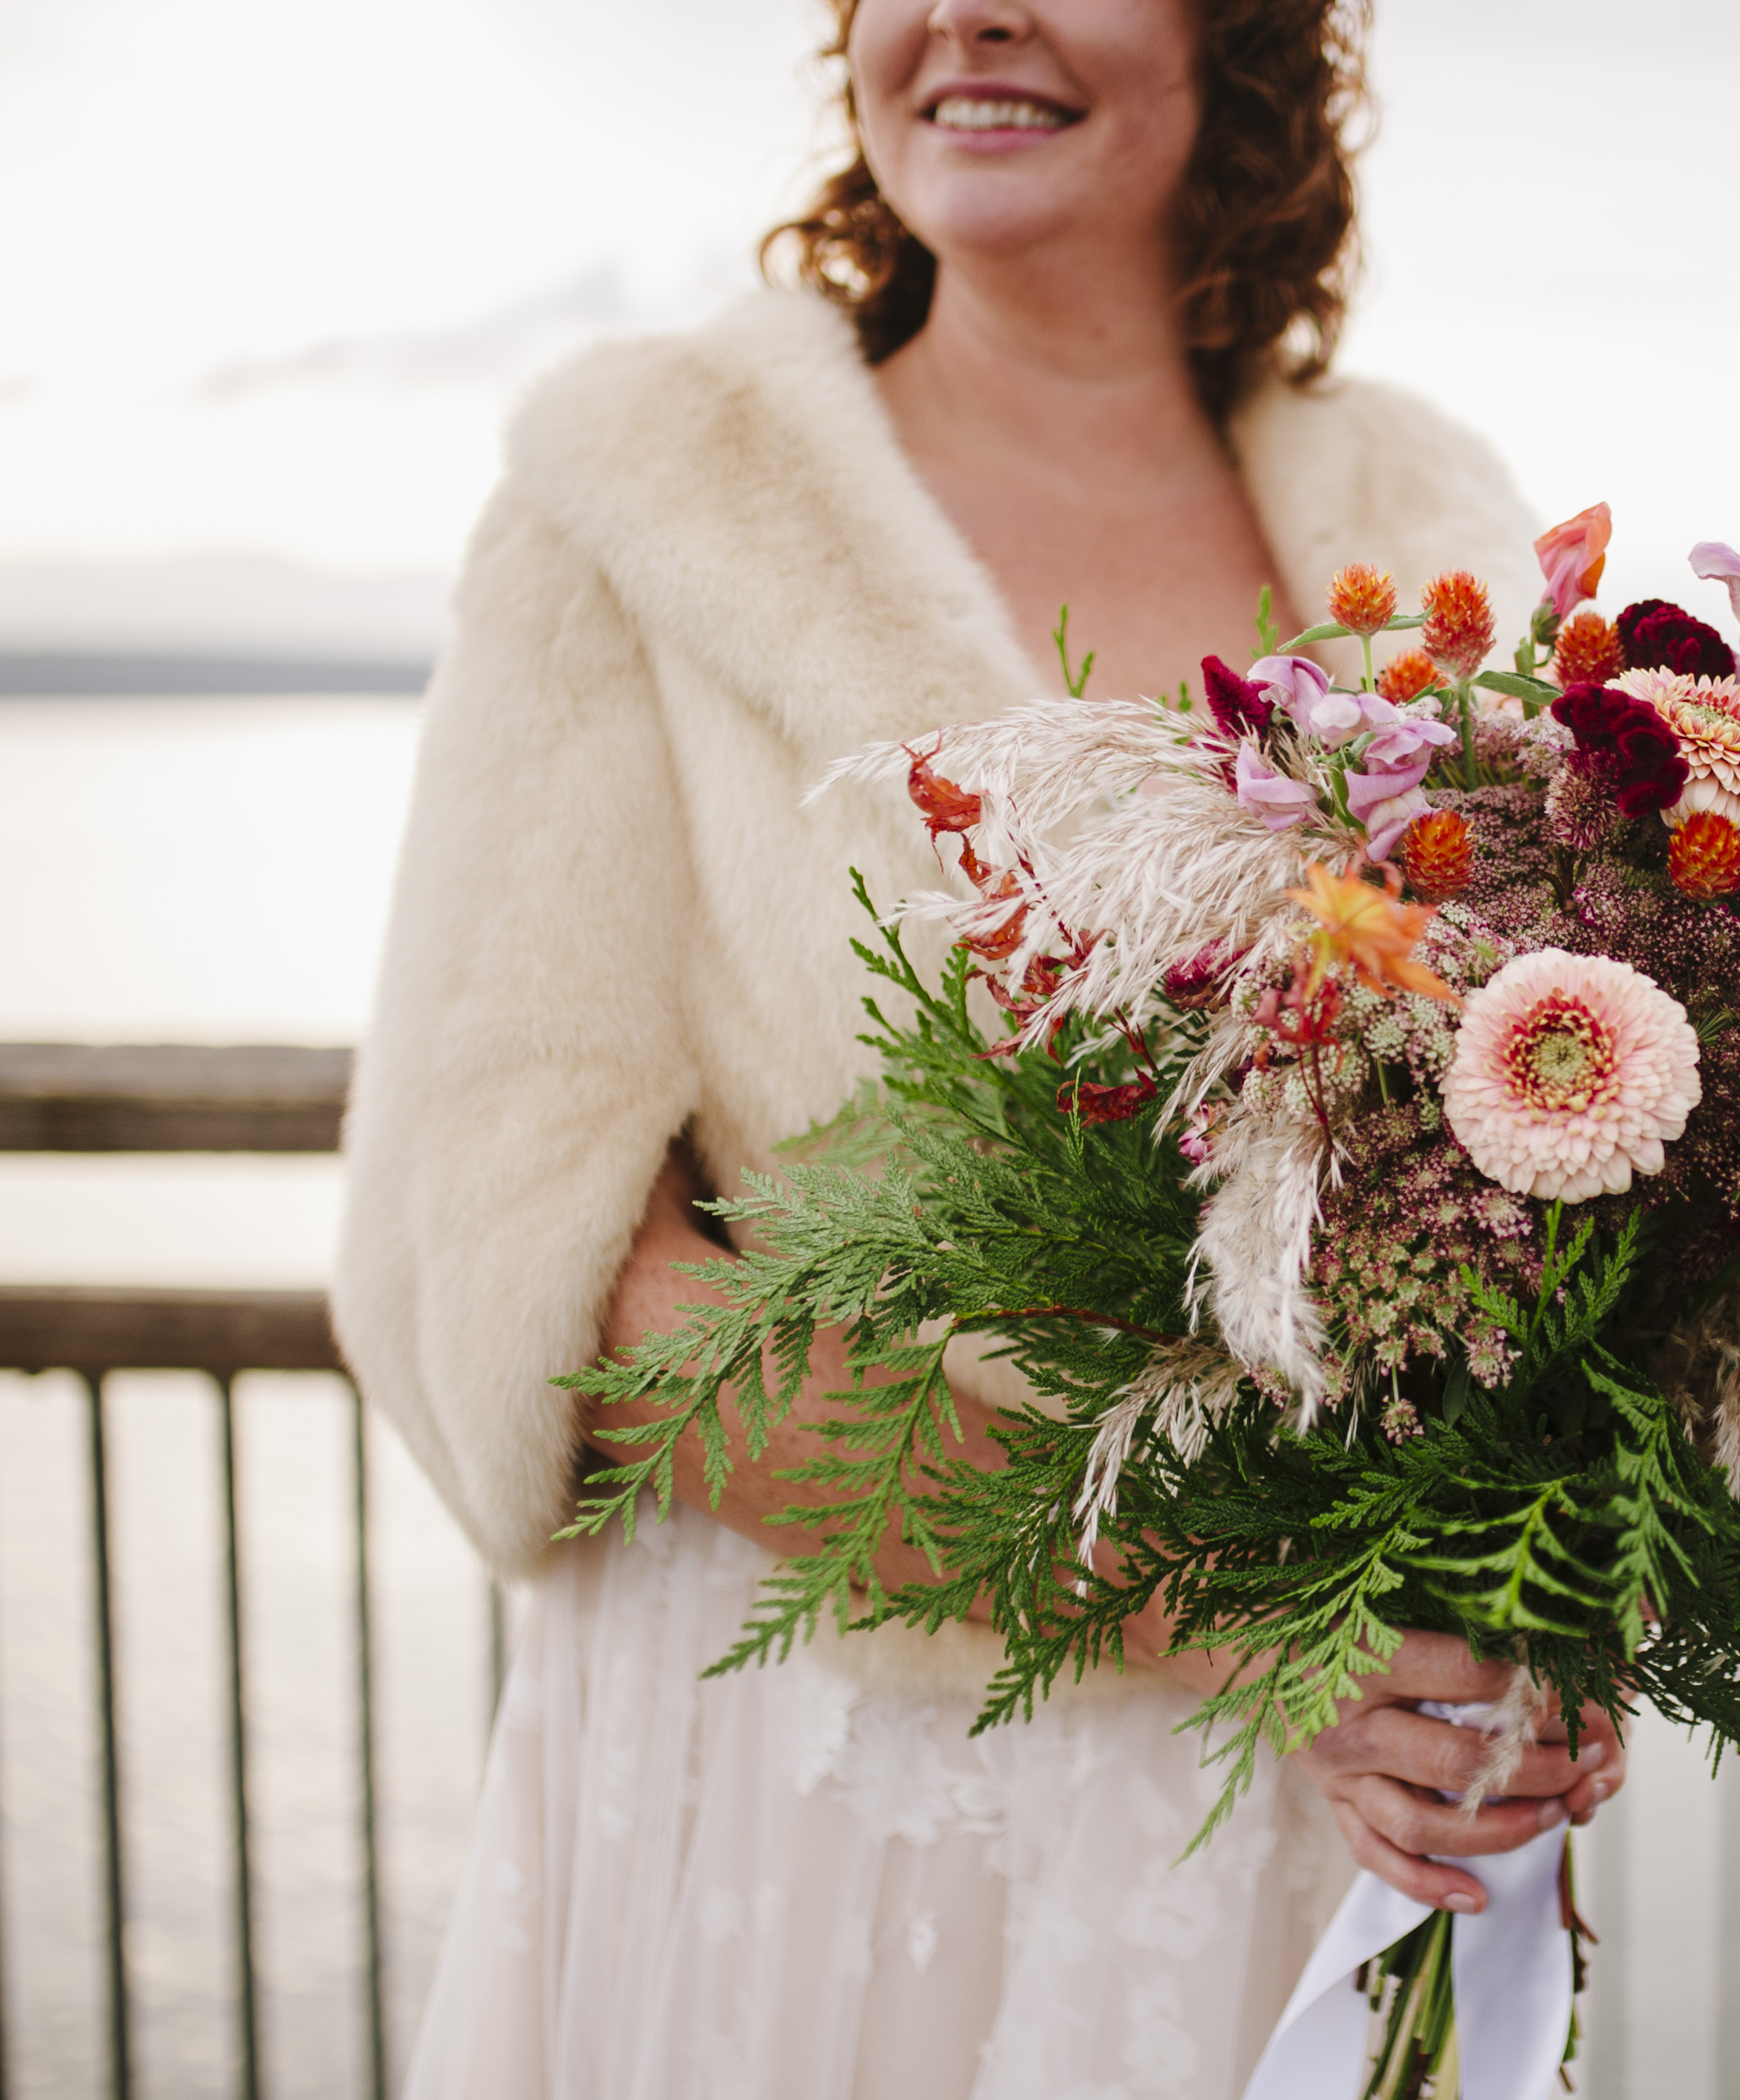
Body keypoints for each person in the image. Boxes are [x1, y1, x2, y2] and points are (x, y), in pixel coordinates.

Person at [332, 3, 1624, 2092]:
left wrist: (1545, 1608)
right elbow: (500, 1260)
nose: (974, 11)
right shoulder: (644, 500)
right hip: (831, 1795)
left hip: (1305, 1830)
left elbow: (1563, 1189)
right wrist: (1217, 1597)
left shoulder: (1438, 527)